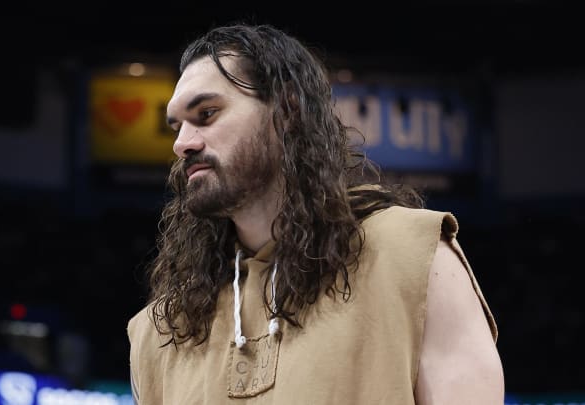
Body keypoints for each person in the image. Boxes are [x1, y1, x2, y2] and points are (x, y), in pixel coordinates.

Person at [127, 23, 504, 404]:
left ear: (287, 110)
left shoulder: (415, 257)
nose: (181, 144)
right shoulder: (158, 330)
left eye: (206, 113)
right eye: (177, 126)